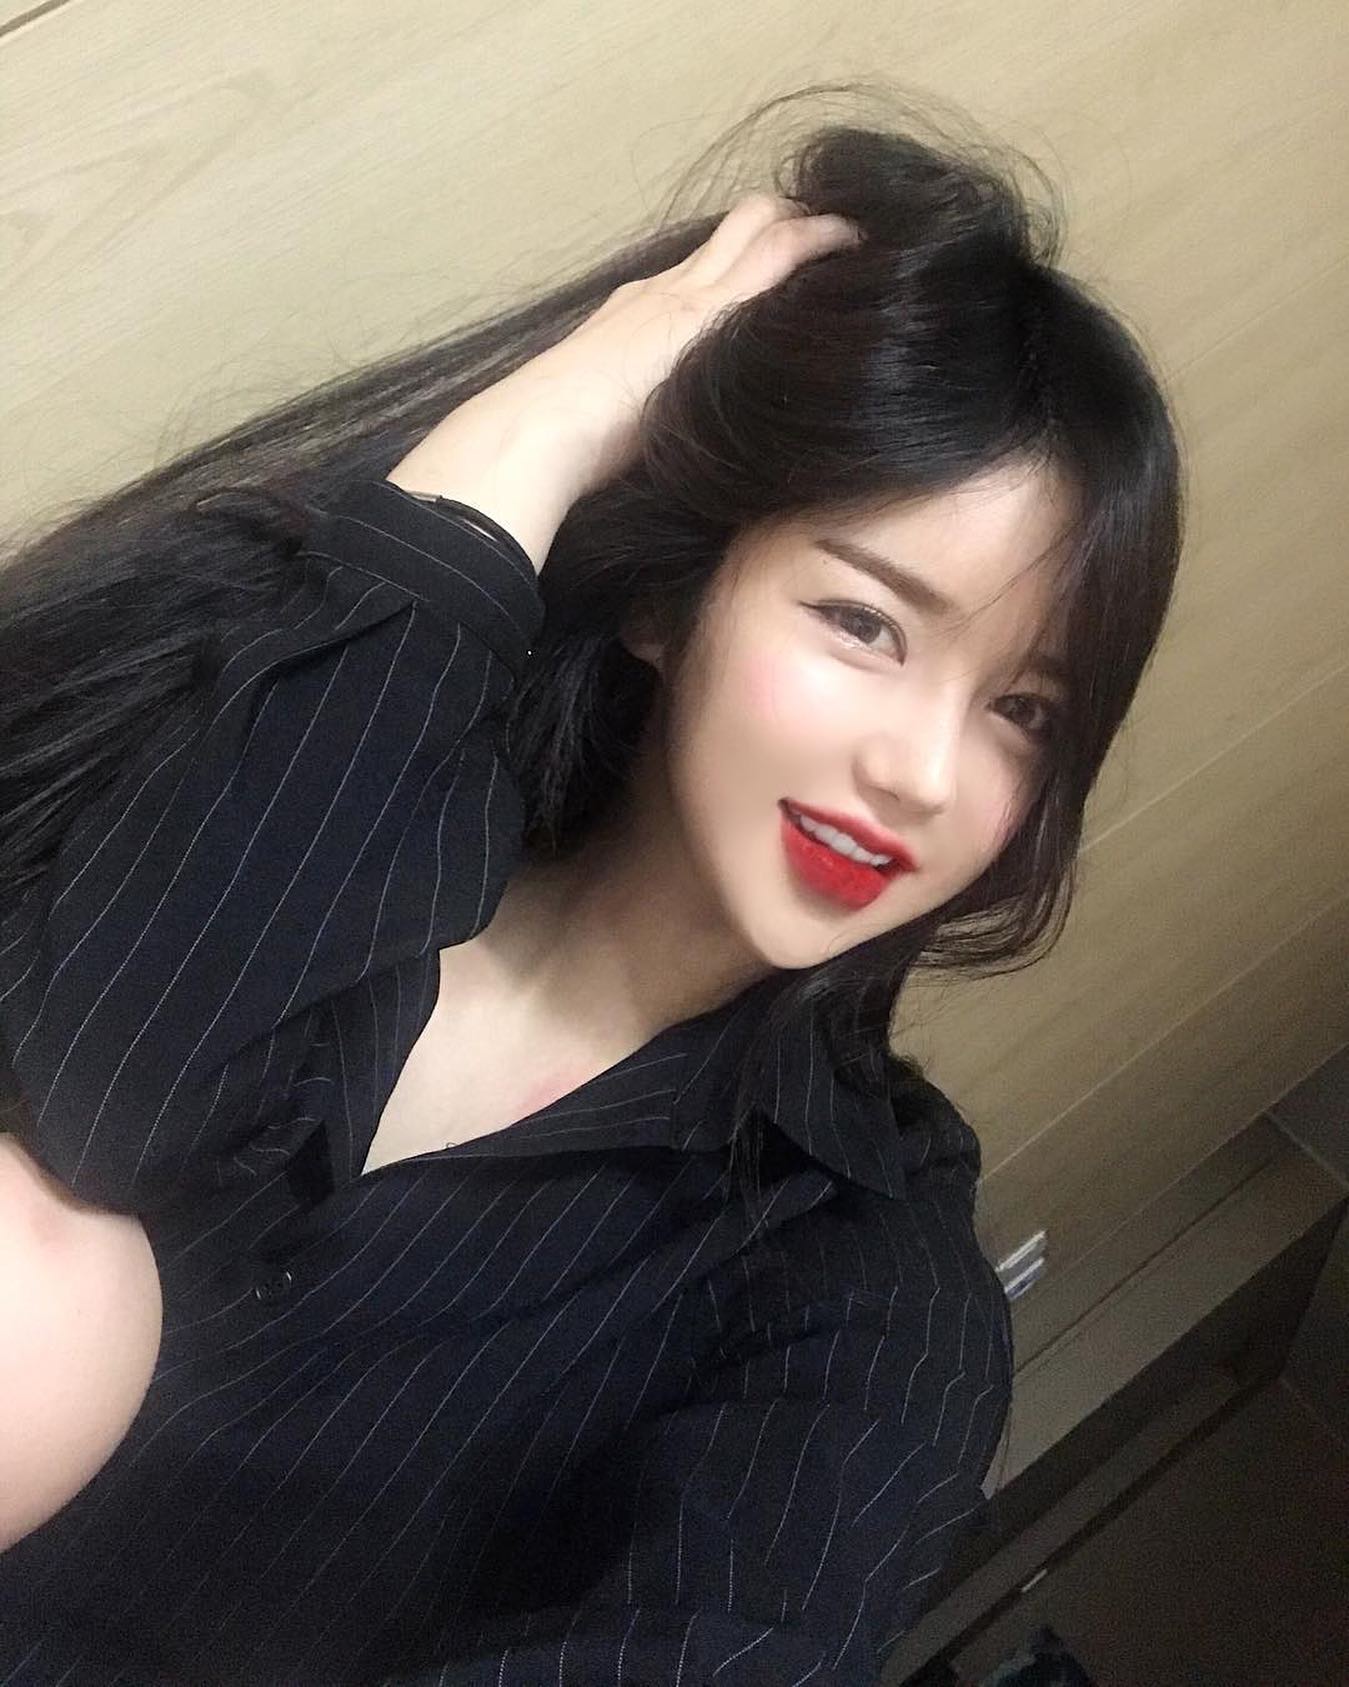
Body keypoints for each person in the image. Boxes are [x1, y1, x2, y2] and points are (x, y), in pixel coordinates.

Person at [0, 88, 1184, 1685]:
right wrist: (539, 434)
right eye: (863, 623)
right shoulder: (321, 788)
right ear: (666, 601)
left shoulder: (854, 1289)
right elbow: (96, 1085)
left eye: (1022, 712)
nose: (921, 771)